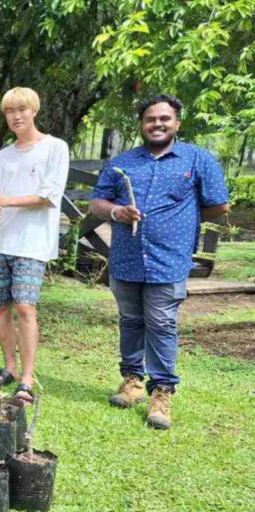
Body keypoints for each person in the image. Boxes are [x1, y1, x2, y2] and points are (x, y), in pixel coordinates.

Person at [89, 94, 229, 429]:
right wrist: (117, 212)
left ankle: (162, 392)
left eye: (165, 118)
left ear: (177, 122)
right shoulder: (124, 162)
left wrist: (182, 221)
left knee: (162, 323)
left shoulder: (197, 160)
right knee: (130, 320)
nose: (157, 124)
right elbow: (97, 202)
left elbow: (218, 205)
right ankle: (132, 381)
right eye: (151, 119)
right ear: (142, 124)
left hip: (168, 259)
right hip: (126, 257)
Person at [0, 87, 69, 404]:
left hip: (31, 244)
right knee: (1, 308)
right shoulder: (3, 155)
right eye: (10, 111)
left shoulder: (54, 148)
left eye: (22, 110)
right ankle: (10, 367)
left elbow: (49, 195)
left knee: (26, 307)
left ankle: (27, 377)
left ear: (34, 111)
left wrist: (9, 202)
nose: (16, 116)